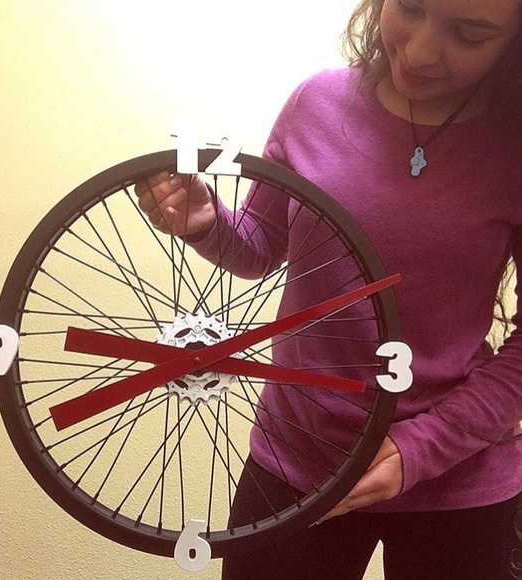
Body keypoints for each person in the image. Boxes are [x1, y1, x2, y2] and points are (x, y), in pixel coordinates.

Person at [135, 0, 522, 578]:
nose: (420, 52)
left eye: (468, 34)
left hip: (460, 478)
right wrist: (206, 222)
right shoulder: (315, 102)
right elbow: (260, 245)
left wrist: (425, 446)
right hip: (298, 460)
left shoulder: (514, 142)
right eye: (409, 6)